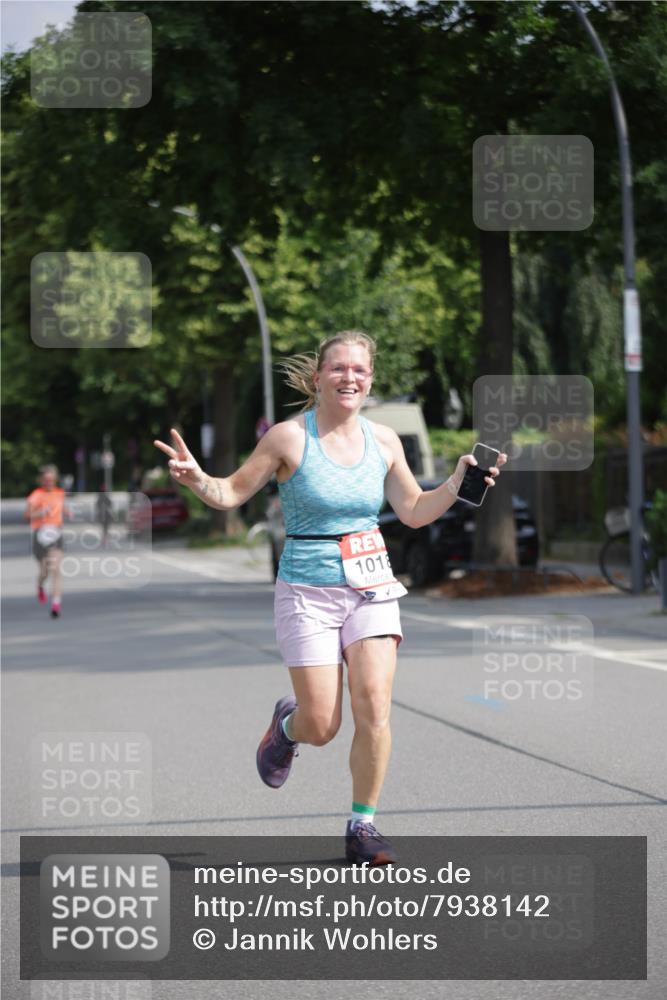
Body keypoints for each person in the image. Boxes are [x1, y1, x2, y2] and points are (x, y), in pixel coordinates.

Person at [154, 331, 507, 864]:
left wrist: (458, 482)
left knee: (376, 709)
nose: (350, 377)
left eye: (360, 370)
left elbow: (412, 510)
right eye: (338, 368)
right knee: (323, 724)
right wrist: (196, 479)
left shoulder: (384, 441)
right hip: (307, 590)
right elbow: (229, 493)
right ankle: (287, 727)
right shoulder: (288, 439)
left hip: (371, 586)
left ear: (370, 378)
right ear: (318, 377)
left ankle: (362, 827)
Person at [25, 464, 68, 619]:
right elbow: (27, 515)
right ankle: (40, 585)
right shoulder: (36, 495)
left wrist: (68, 513)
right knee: (45, 571)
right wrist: (39, 513)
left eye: (51, 479)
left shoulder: (60, 493)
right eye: (46, 480)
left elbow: (62, 508)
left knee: (56, 569)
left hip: (55, 534)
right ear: (41, 480)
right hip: (40, 535)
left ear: (55, 479)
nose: (49, 482)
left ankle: (56, 604)